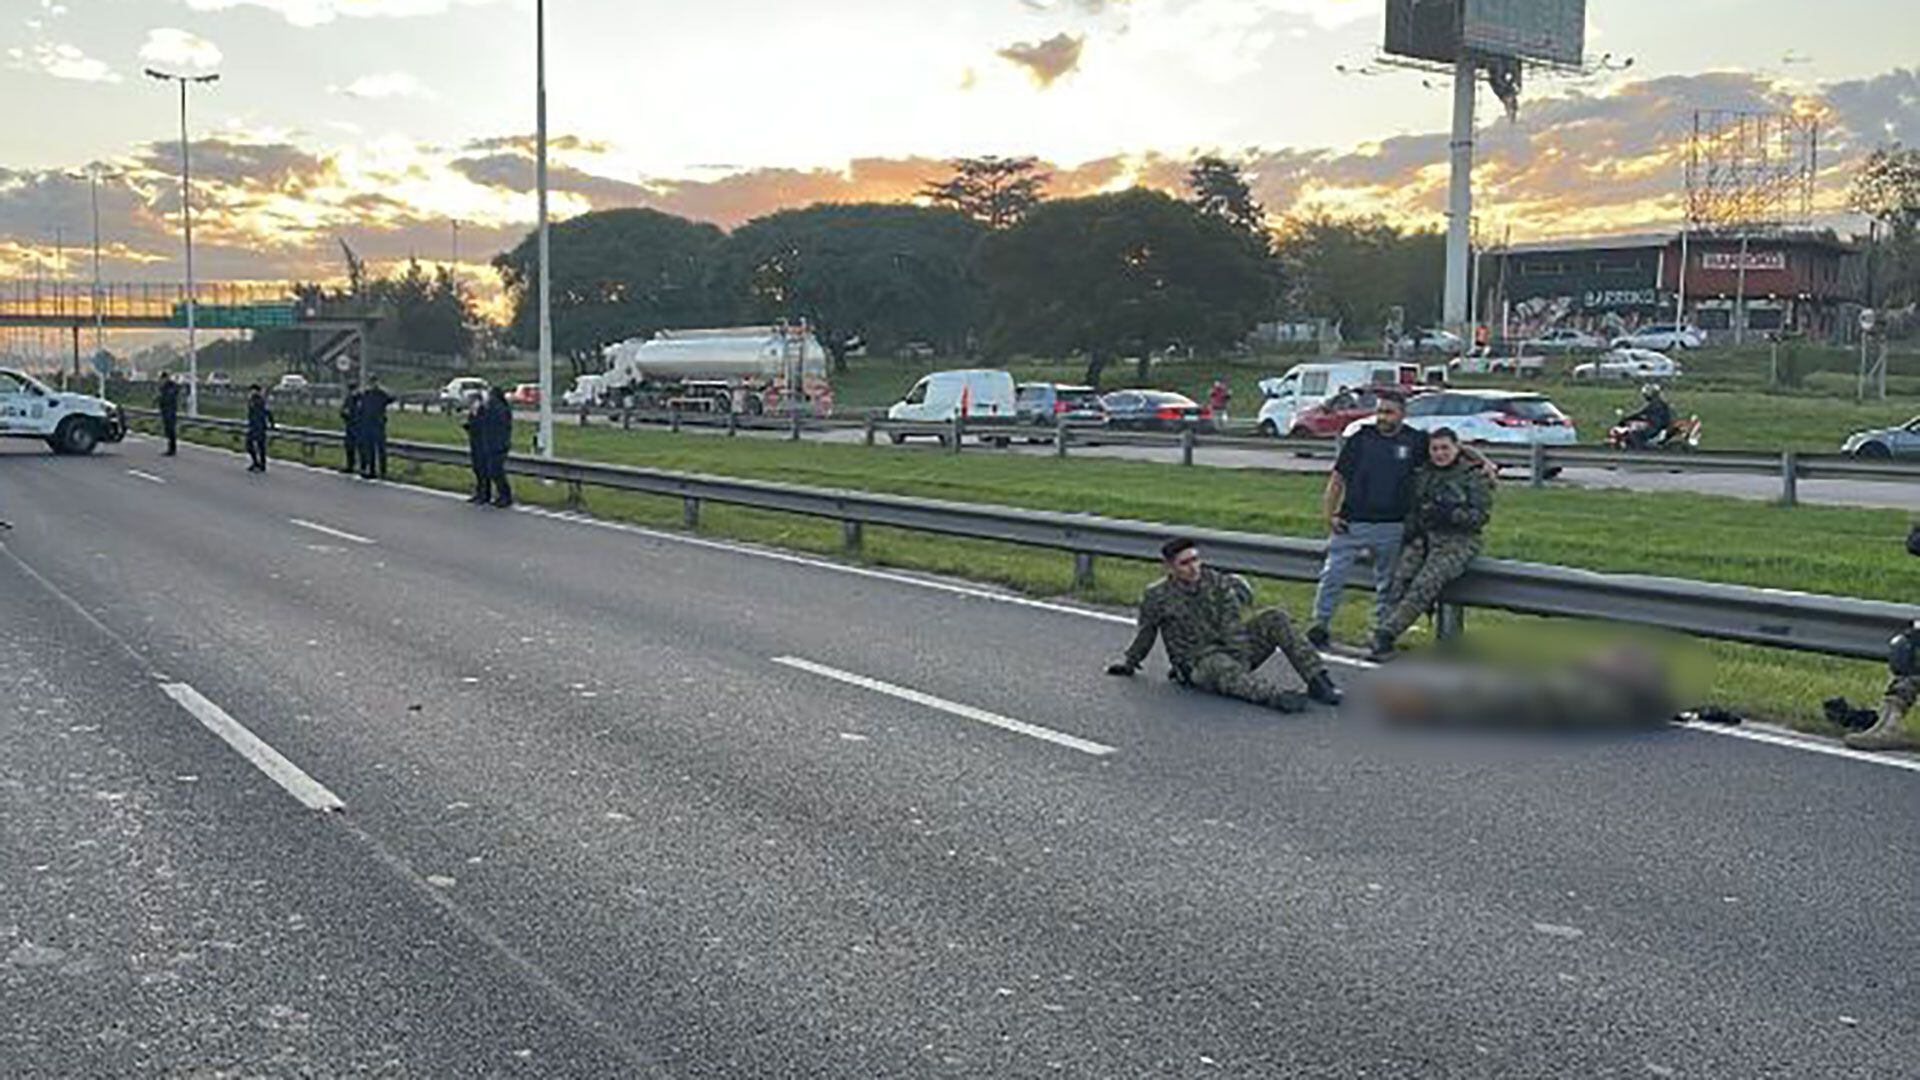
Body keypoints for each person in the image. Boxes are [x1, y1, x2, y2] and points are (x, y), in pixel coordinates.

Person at [1308, 393, 1490, 648]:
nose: (1383, 417)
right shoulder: (1360, 439)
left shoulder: (1414, 440)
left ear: (1402, 415)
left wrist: (1483, 461)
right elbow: (1337, 478)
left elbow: (1446, 444)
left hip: (1393, 525)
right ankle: (1319, 626)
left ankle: (1379, 634)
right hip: (1352, 522)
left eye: (1389, 412)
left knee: (1388, 585)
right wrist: (1330, 513)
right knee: (1332, 576)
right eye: (1380, 411)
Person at [1106, 537, 1341, 711]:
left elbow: (1232, 623)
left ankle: (1318, 681)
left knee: (1275, 617)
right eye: (1185, 563)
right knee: (1220, 665)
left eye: (1196, 559)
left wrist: (1239, 656)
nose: (1194, 567)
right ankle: (1276, 697)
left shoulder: (1216, 581)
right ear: (1170, 567)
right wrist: (1130, 662)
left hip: (1233, 650)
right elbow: (1146, 633)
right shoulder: (1157, 595)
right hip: (1198, 662)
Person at [1370, 427, 1493, 659]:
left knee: (1425, 584)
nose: (1440, 453)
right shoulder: (1424, 474)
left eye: (1445, 448)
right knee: (1399, 580)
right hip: (1425, 537)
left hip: (1458, 540)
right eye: (1435, 449)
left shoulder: (1472, 477)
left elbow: (1480, 517)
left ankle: (1386, 634)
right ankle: (1380, 629)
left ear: (1457, 448)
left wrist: (1450, 514)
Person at [480, 385, 514, 508]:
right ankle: (502, 496)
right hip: (493, 443)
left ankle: (506, 496)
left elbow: (498, 427)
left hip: (498, 444)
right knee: (493, 471)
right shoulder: (494, 408)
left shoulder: (498, 409)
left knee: (496, 471)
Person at [356, 375, 394, 479]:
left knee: (381, 449)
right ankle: (371, 470)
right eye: (372, 383)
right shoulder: (366, 394)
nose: (373, 385)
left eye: (375, 382)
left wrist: (383, 389)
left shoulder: (381, 394)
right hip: (367, 425)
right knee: (369, 449)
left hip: (378, 425)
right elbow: (360, 408)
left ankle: (383, 471)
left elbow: (392, 398)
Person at [1620, 384, 1673, 449]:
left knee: (1634, 433)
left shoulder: (1655, 404)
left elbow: (1640, 413)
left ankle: (1639, 451)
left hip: (1655, 426)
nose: (1645, 397)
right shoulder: (1661, 403)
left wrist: (1627, 418)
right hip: (1660, 425)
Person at [462, 396, 491, 504]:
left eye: (473, 402)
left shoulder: (484, 412)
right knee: (477, 469)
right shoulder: (472, 413)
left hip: (483, 444)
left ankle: (485, 494)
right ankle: (478, 493)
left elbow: (483, 426)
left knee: (483, 470)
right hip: (474, 442)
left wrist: (473, 423)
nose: (471, 405)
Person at [244, 384, 273, 473]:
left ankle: (259, 464)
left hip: (259, 426)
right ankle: (258, 463)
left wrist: (271, 423)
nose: (250, 392)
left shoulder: (258, 400)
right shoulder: (254, 400)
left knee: (257, 445)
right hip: (254, 425)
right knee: (254, 445)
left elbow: (267, 412)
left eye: (252, 390)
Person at [339, 379, 362, 475]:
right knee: (349, 447)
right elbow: (342, 410)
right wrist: (344, 414)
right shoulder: (348, 399)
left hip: (359, 426)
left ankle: (362, 466)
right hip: (349, 425)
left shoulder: (361, 398)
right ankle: (350, 465)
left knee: (360, 447)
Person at [155, 372, 181, 456]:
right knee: (167, 430)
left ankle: (172, 449)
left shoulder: (172, 386)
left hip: (170, 410)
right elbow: (160, 397)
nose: (161, 381)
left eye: (162, 379)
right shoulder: (162, 387)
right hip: (165, 410)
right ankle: (170, 448)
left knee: (171, 429)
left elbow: (172, 395)